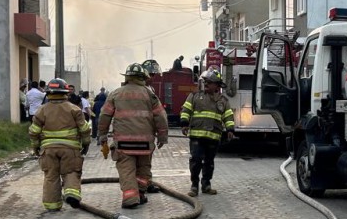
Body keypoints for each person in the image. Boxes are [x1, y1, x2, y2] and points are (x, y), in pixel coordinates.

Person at [97, 64, 169, 209]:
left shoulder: (115, 94)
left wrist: (102, 135)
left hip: (123, 144)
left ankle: (130, 198)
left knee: (127, 171)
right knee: (143, 169)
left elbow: (104, 116)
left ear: (127, 77)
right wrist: (162, 137)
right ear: (143, 78)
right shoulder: (150, 95)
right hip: (145, 143)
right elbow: (161, 117)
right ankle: (140, 193)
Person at [28, 78, 91, 211]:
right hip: (70, 149)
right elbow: (84, 129)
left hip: (48, 150)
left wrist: (35, 146)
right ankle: (71, 194)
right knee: (71, 172)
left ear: (48, 93)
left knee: (51, 176)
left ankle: (53, 205)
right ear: (65, 93)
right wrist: (86, 143)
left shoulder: (41, 110)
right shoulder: (74, 109)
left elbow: (34, 132)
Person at [180, 69, 235, 197]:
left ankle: (206, 185)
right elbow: (186, 110)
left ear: (217, 85)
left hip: (213, 137)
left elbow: (228, 116)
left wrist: (230, 129)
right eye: (205, 82)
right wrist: (184, 123)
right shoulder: (194, 96)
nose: (206, 84)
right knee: (196, 160)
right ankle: (194, 185)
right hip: (196, 136)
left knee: (209, 162)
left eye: (209, 82)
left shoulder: (223, 101)